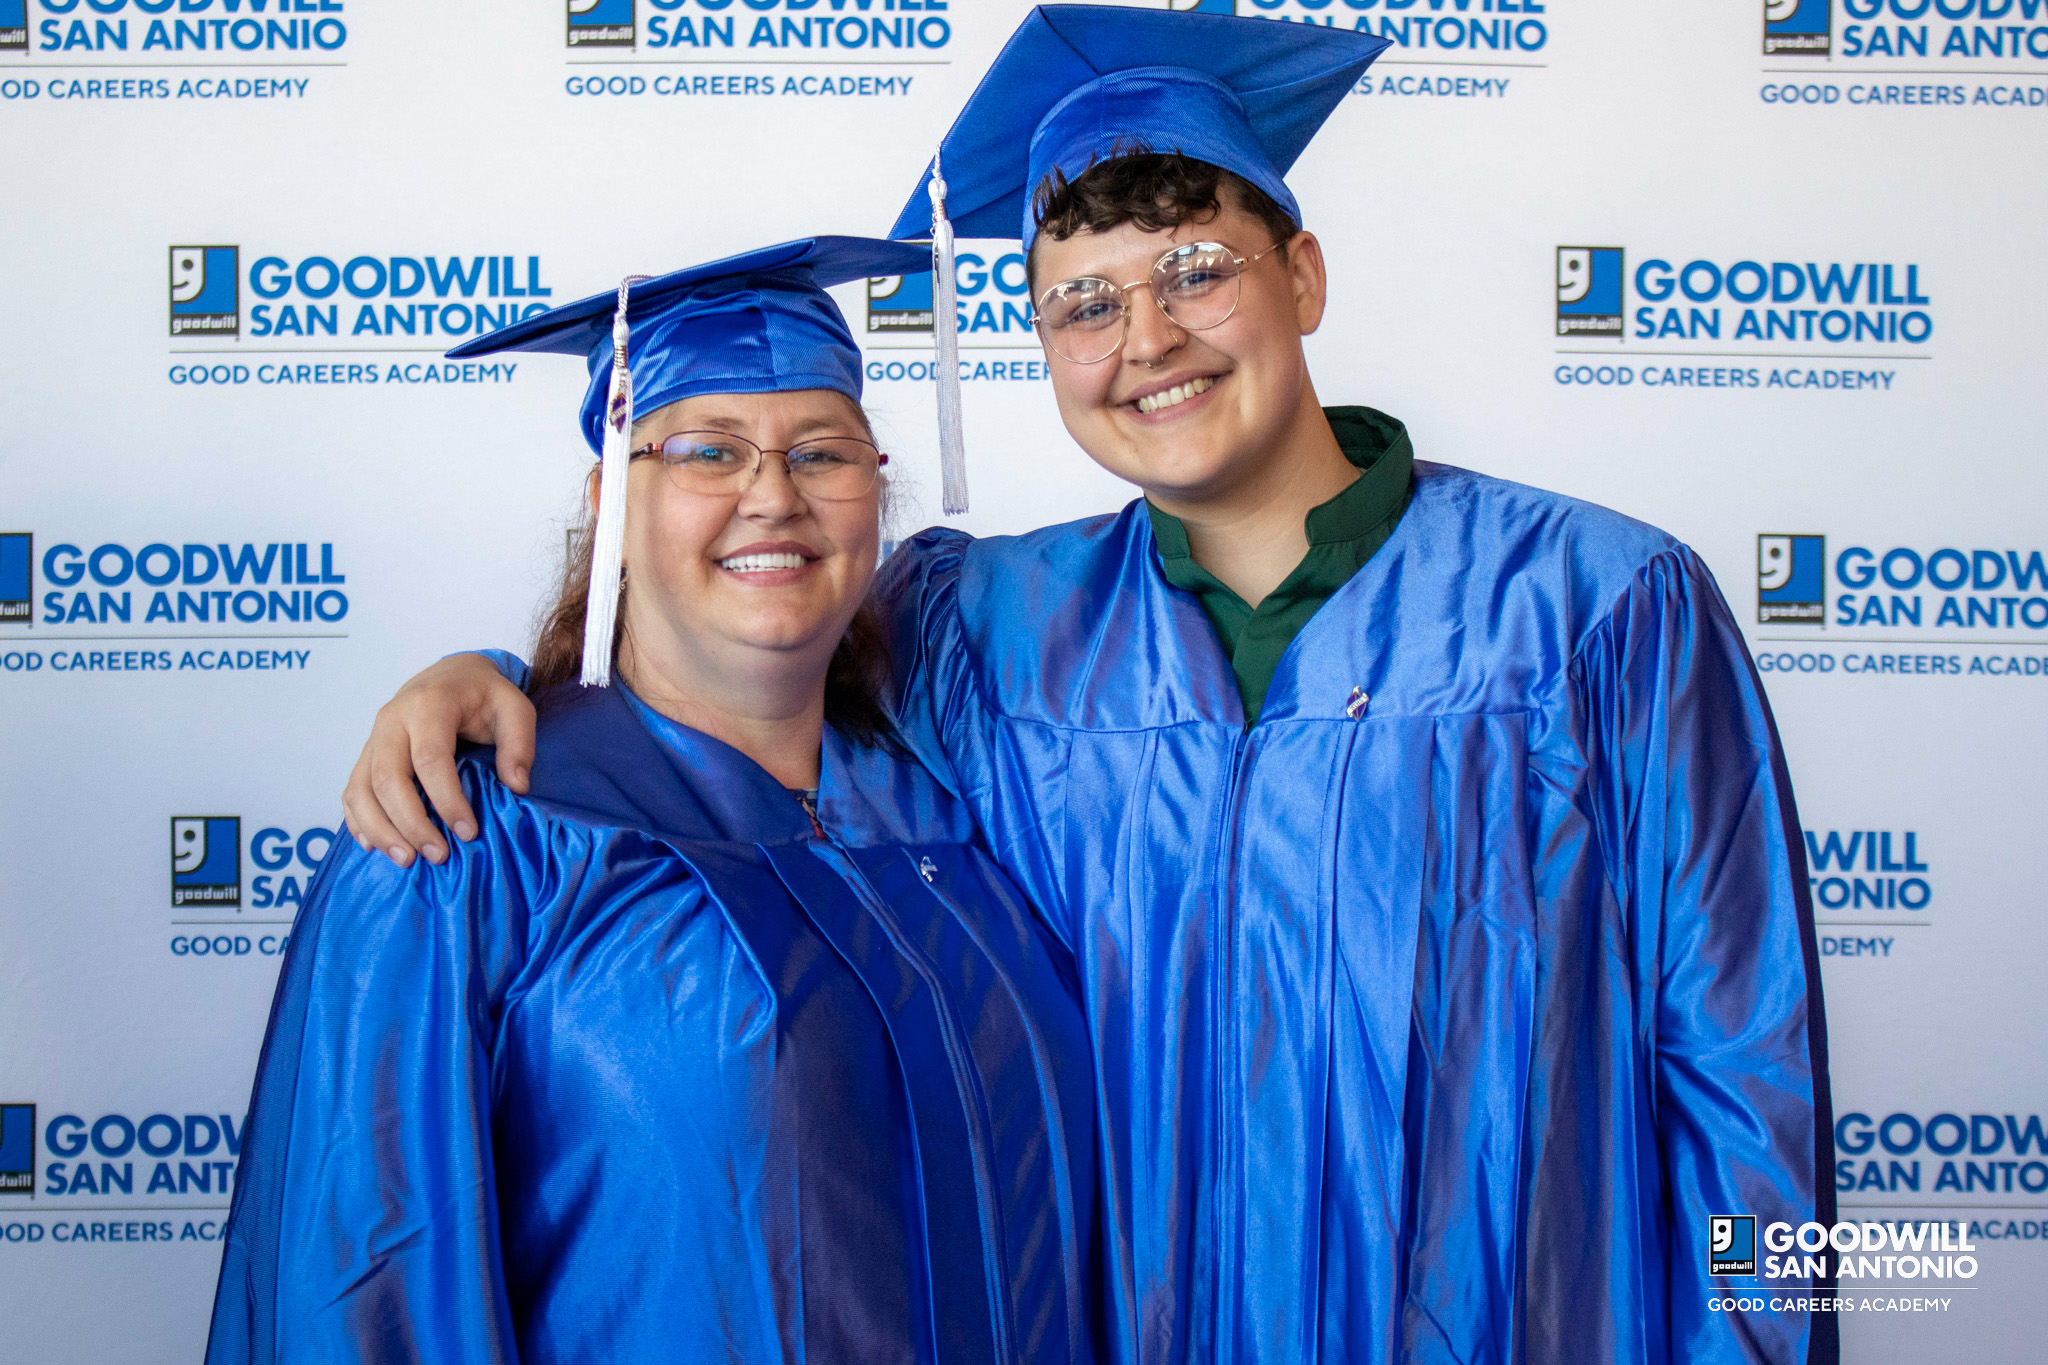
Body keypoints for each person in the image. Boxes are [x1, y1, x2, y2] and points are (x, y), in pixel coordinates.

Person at [337, 8, 1837, 1364]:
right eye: (1083, 302)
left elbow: (1744, 1085)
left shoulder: (1597, 610)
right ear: (1042, 342)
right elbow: (735, 669)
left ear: (1302, 276)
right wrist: (488, 683)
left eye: (1197, 270)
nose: (1147, 341)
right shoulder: (983, 628)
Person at [205, 237, 1100, 1365]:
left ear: (874, 491)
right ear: (608, 503)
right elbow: (362, 1291)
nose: (771, 496)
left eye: (820, 452)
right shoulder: (467, 841)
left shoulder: (955, 805)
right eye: (703, 451)